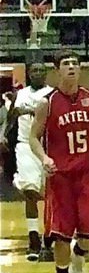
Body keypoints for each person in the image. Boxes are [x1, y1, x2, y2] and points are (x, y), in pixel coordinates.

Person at [28, 51, 89, 273]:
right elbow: (33, 137)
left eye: (75, 63)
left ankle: (79, 255)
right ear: (57, 71)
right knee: (61, 234)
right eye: (66, 64)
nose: (72, 67)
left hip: (87, 174)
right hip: (61, 177)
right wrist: (44, 159)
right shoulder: (47, 103)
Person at [8, 62, 54, 261]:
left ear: (46, 74)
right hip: (25, 145)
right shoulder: (20, 94)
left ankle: (51, 236)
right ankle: (33, 237)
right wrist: (3, 134)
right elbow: (11, 119)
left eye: (41, 70)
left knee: (53, 195)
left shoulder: (53, 94)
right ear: (29, 73)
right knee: (30, 191)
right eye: (34, 70)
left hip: (49, 146)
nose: (38, 73)